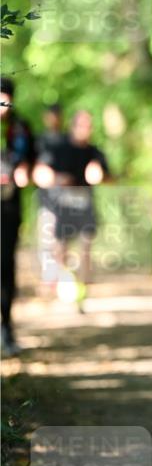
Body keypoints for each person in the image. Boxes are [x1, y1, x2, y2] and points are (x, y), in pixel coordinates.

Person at [33, 109, 111, 304]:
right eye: (82, 125)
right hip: (62, 207)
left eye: (89, 126)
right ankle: (62, 284)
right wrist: (57, 178)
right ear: (73, 126)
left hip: (85, 206)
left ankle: (83, 292)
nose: (86, 130)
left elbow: (109, 176)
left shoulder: (94, 152)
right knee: (60, 249)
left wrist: (100, 175)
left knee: (86, 248)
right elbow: (40, 173)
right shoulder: (58, 148)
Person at [1, 75, 35, 354]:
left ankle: (6, 328)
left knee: (5, 266)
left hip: (9, 208)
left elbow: (33, 161)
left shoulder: (21, 128)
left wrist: (26, 170)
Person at [33, 103, 68, 290]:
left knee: (62, 241)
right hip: (46, 200)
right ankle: (49, 280)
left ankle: (61, 278)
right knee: (46, 240)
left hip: (65, 201)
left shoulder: (67, 141)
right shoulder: (40, 141)